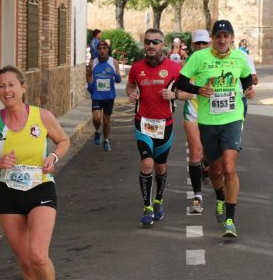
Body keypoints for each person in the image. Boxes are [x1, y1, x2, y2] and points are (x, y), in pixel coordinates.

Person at [0, 66, 70, 280]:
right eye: (1, 86)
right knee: (25, 263)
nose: (7, 90)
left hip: (41, 190)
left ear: (23, 87)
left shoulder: (41, 116)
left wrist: (53, 156)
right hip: (9, 196)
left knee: (38, 256)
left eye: (11, 85)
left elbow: (63, 141)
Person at [176, 20, 255, 238]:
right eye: (218, 36)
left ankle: (230, 220)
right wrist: (198, 89)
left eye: (226, 36)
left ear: (231, 38)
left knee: (229, 167)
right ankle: (220, 196)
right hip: (208, 122)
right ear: (213, 38)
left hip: (232, 118)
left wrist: (248, 89)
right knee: (215, 170)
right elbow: (180, 82)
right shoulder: (199, 58)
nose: (222, 40)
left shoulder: (239, 57)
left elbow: (246, 76)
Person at [126, 28, 184, 226]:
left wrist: (175, 95)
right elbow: (130, 86)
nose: (150, 45)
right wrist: (131, 94)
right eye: (147, 42)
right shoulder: (136, 67)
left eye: (155, 42)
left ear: (162, 45)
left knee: (160, 167)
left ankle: (158, 199)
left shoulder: (174, 68)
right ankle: (147, 206)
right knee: (147, 163)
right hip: (143, 122)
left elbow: (189, 93)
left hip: (165, 124)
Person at [182, 29, 211, 214]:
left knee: (209, 155)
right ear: (193, 45)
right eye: (197, 44)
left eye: (203, 44)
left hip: (213, 114)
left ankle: (206, 166)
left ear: (209, 43)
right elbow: (181, 88)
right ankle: (197, 197)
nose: (200, 47)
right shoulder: (188, 64)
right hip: (192, 111)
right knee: (195, 152)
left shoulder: (216, 63)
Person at [87, 41, 121, 151]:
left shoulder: (113, 62)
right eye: (100, 48)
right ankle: (97, 131)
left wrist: (117, 77)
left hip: (109, 96)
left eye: (104, 48)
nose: (102, 50)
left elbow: (118, 77)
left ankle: (106, 140)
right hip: (97, 95)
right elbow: (88, 75)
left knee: (106, 120)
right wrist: (90, 85)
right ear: (97, 50)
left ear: (108, 50)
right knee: (97, 119)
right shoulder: (93, 62)